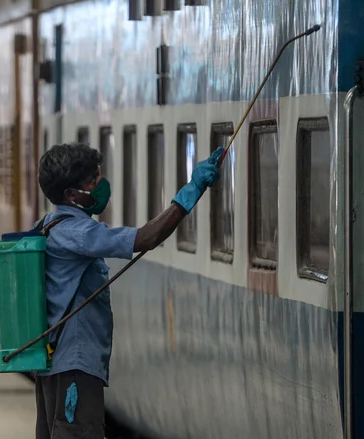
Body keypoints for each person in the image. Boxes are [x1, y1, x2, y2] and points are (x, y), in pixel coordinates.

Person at [34, 142, 223, 439]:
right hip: (74, 364)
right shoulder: (77, 233)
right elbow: (147, 237)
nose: (101, 185)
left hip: (56, 362)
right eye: (92, 182)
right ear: (71, 195)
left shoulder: (49, 224)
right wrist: (193, 189)